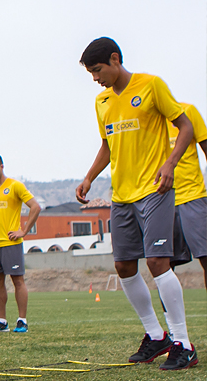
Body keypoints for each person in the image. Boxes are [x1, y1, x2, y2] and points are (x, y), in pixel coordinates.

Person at [75, 37, 197, 370]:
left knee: (158, 262)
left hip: (154, 190)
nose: (95, 79)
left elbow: (184, 126)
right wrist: (88, 178)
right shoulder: (101, 101)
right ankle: (155, 336)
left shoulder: (151, 85)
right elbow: (107, 144)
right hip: (122, 197)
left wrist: (170, 164)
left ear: (115, 60)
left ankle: (183, 344)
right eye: (91, 73)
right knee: (124, 267)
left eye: (98, 70)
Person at [0, 153, 40, 333]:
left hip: (11, 242)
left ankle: (22, 320)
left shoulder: (15, 186)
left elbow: (35, 207)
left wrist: (23, 231)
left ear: (1, 167)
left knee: (17, 280)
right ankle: (2, 321)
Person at [168, 104, 207, 290]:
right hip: (160, 199)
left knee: (206, 257)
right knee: (163, 265)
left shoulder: (188, 111)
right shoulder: (145, 119)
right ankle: (172, 319)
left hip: (193, 196)